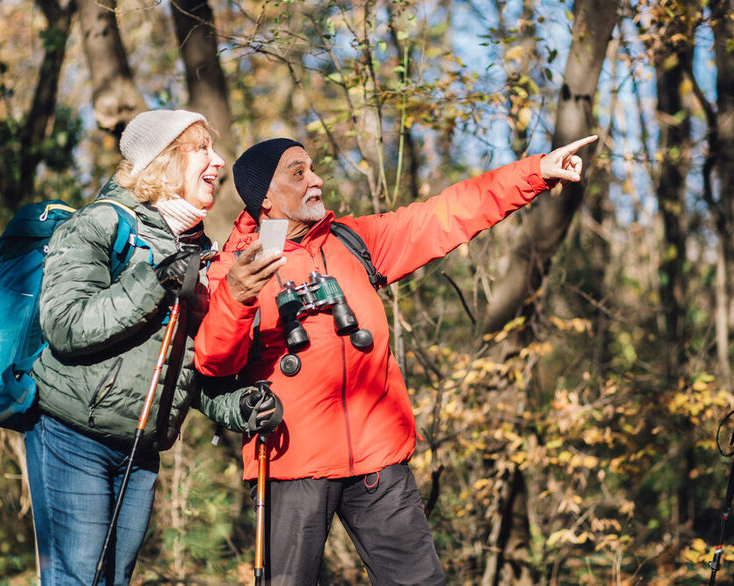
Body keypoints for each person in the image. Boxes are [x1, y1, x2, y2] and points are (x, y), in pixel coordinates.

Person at [193, 134, 598, 584]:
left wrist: (536, 172)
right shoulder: (234, 269)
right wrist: (239, 295)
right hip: (291, 464)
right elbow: (214, 361)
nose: (317, 180)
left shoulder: (351, 242)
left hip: (378, 458)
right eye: (299, 172)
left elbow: (446, 214)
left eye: (313, 168)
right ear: (265, 197)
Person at [24, 109, 280, 585]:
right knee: (77, 578)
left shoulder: (200, 252)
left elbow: (192, 365)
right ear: (163, 160)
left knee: (115, 579)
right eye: (202, 148)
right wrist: (154, 280)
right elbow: (64, 325)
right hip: (71, 433)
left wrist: (237, 406)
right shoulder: (100, 223)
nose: (218, 160)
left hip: (140, 448)